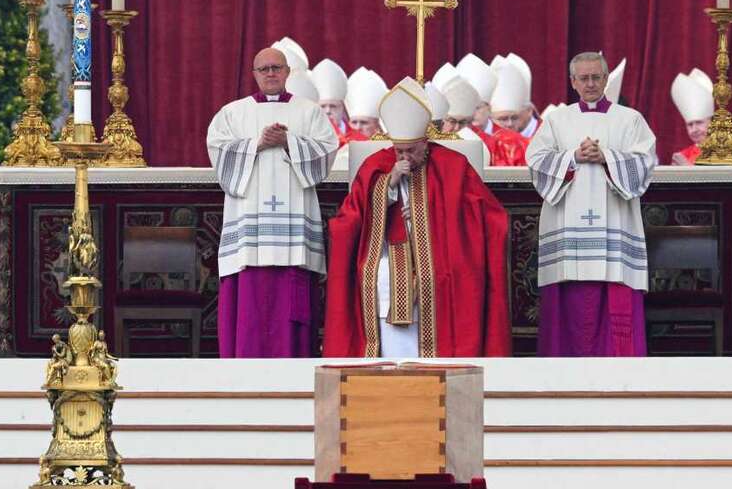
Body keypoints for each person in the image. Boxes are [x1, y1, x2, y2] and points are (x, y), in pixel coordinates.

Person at [324, 76, 511, 358]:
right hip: (386, 254)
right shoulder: (376, 166)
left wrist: (434, 215)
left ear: (425, 142)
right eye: (399, 150)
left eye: (411, 150)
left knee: (440, 277)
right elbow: (347, 222)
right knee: (383, 275)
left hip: (442, 253)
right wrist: (386, 189)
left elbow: (490, 219)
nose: (405, 157)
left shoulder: (453, 165)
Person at [207, 47, 338, 358]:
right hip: (249, 239)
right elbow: (218, 150)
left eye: (276, 67)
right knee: (249, 300)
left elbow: (326, 151)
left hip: (293, 238)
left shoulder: (309, 112)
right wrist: (257, 144)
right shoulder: (233, 113)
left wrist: (289, 142)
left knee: (290, 299)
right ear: (254, 74)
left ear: (287, 72)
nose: (270, 73)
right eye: (263, 69)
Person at [525, 52, 657, 357]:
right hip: (568, 228)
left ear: (606, 79)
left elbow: (644, 164)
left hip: (615, 228)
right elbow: (536, 162)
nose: (590, 84)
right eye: (583, 78)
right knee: (568, 304)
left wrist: (607, 157)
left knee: (616, 296)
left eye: (596, 77)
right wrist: (573, 157)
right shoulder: (557, 120)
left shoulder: (630, 119)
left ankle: (621, 375)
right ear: (572, 82)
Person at [670, 69, 714, 165]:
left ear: (712, 122)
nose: (694, 130)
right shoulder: (683, 156)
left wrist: (687, 169)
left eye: (699, 122)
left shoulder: (730, 152)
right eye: (690, 125)